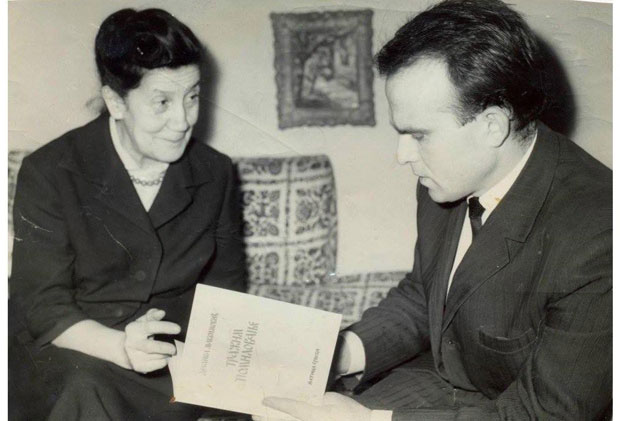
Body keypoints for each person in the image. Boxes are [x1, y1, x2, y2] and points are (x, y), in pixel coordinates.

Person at [258, 0, 612, 420]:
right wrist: (336, 355)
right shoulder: (447, 177)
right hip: (443, 385)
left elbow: (544, 413)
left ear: (492, 126)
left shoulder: (600, 233)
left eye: (419, 135)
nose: (402, 155)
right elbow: (424, 295)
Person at [9, 8, 246, 421]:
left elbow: (226, 292)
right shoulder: (50, 171)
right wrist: (120, 347)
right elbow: (43, 304)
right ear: (115, 102)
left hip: (170, 361)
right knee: (85, 388)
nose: (183, 121)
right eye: (162, 102)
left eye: (192, 97)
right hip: (76, 351)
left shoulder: (216, 172)